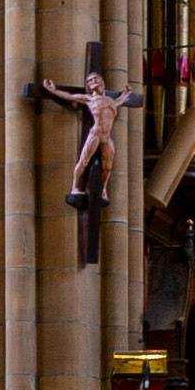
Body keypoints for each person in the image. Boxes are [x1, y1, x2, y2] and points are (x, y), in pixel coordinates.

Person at [28, 50, 140, 263]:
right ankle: (75, 186)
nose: (92, 82)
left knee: (108, 166)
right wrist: (53, 90)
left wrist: (126, 93)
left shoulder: (111, 100)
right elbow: (69, 96)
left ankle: (104, 188)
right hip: (96, 134)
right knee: (83, 162)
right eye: (89, 80)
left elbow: (125, 99)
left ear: (102, 81)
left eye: (95, 79)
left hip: (107, 138)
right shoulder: (89, 99)